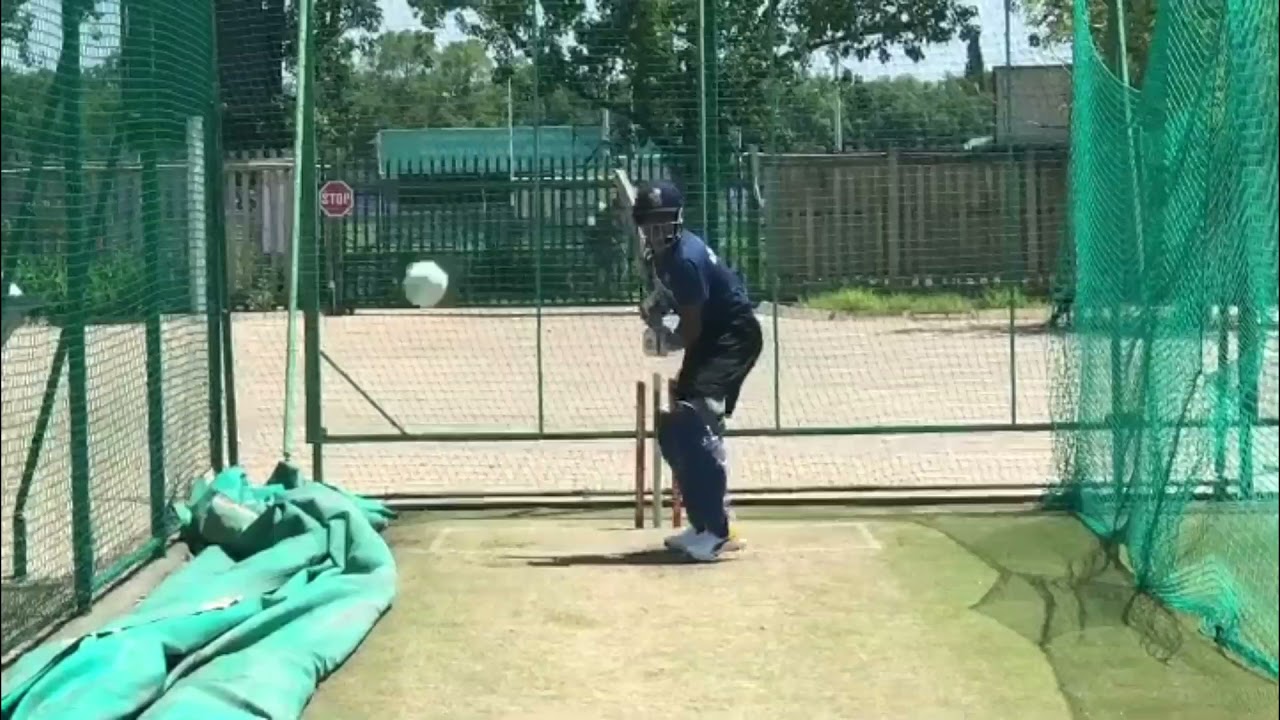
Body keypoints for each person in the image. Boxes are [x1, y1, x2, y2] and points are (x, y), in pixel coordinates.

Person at [634, 181, 762, 562]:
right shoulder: (662, 257)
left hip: (732, 335)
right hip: (713, 333)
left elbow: (691, 330)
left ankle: (721, 530)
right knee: (674, 426)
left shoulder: (685, 258)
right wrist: (656, 306)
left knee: (695, 419)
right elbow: (674, 295)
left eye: (663, 222)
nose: (656, 231)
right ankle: (704, 522)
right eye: (648, 223)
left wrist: (665, 340)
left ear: (677, 220)